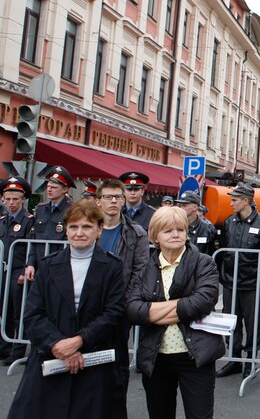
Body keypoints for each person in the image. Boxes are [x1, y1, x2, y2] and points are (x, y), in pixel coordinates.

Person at [7, 201, 125, 418]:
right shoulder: (48, 265)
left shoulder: (113, 267)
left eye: (87, 227)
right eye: (73, 227)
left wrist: (79, 341)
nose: (79, 233)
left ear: (99, 230)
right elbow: (33, 314)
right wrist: (57, 344)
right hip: (50, 357)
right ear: (66, 229)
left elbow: (114, 314)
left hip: (93, 361)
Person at [127, 206, 223, 419]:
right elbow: (133, 309)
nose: (176, 234)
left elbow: (202, 302)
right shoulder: (144, 268)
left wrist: (152, 311)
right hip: (156, 357)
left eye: (180, 229)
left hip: (195, 356)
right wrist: (182, 305)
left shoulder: (203, 263)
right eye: (168, 230)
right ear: (155, 236)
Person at [94, 179, 150, 418]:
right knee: (89, 363)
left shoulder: (136, 233)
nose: (114, 201)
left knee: (117, 365)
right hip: (89, 306)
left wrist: (123, 303)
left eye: (118, 196)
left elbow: (140, 271)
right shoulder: (88, 228)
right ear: (98, 201)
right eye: (108, 197)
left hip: (118, 309)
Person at [215, 183, 260, 379]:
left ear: (246, 200)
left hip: (252, 283)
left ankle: (250, 360)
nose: (231, 202)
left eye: (234, 199)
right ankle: (234, 359)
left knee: (252, 322)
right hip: (230, 282)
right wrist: (224, 273)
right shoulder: (228, 222)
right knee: (231, 322)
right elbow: (223, 251)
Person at [0, 177, 35, 365]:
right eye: (8, 199)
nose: (11, 203)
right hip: (2, 270)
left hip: (18, 271)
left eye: (15, 199)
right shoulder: (3, 221)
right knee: (2, 310)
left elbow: (31, 248)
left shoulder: (29, 221)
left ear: (23, 200)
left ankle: (17, 350)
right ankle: (4, 347)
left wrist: (25, 270)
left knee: (17, 311)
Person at [25, 166, 74, 282]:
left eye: (54, 187)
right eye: (48, 186)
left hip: (60, 267)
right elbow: (33, 238)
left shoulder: (72, 210)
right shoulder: (41, 209)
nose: (49, 190)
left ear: (65, 189)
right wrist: (30, 264)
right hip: (39, 267)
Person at [176, 191, 217, 256]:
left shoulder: (207, 228)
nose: (181, 208)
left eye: (184, 205)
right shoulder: (174, 226)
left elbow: (213, 253)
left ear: (195, 207)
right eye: (180, 205)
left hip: (199, 265)